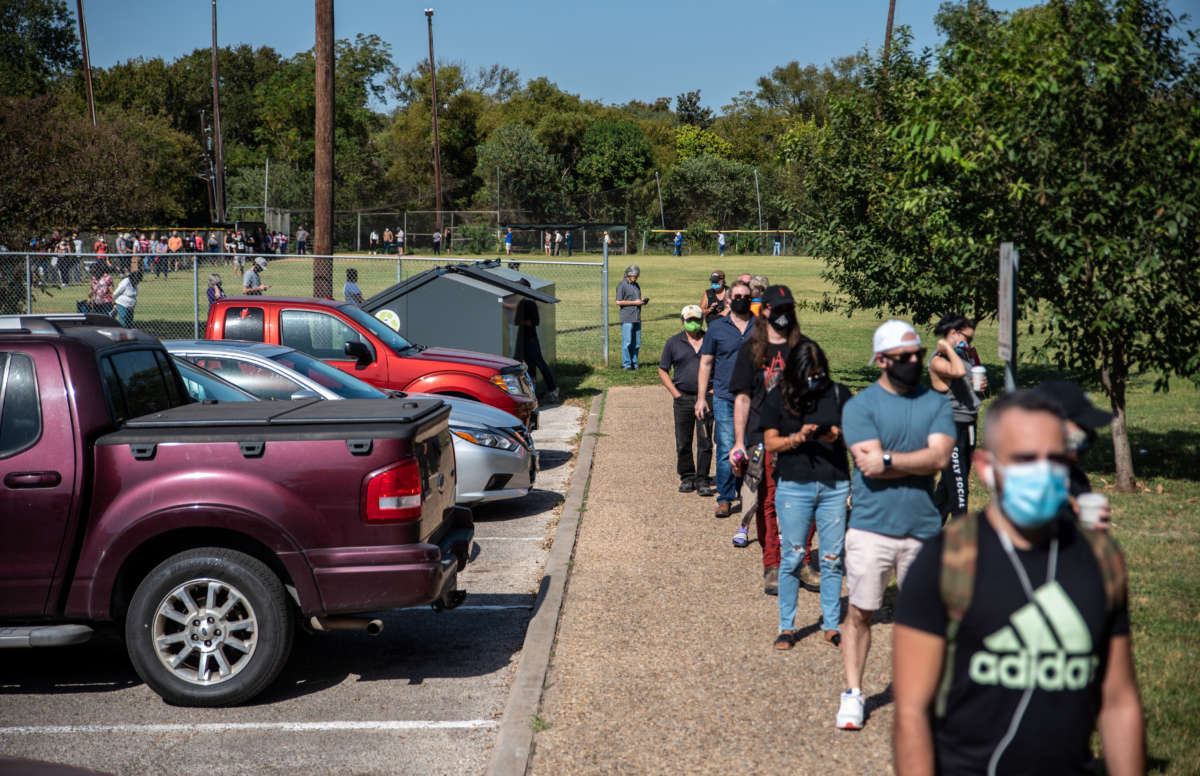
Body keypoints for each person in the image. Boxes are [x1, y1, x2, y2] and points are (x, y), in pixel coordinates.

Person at [893, 389, 1143, 775]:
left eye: (1055, 458)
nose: (1042, 471)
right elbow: (911, 713)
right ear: (985, 466)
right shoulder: (945, 560)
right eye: (1025, 459)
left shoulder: (1101, 558)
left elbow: (1119, 701)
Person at [836, 319, 955, 730]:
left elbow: (939, 458)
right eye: (904, 358)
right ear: (882, 361)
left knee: (922, 618)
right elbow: (867, 464)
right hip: (871, 527)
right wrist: (900, 461)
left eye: (917, 356)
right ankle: (853, 693)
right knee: (861, 612)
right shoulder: (860, 406)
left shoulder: (936, 403)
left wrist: (889, 460)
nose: (913, 363)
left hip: (922, 529)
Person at [762, 341, 851, 649]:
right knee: (793, 556)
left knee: (831, 558)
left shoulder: (838, 393)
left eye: (819, 373)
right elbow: (771, 443)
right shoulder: (779, 395)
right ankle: (787, 626)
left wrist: (834, 434)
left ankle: (830, 624)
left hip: (834, 484)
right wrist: (796, 438)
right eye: (809, 374)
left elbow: (854, 436)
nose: (814, 379)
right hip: (794, 486)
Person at [729, 284, 808, 594]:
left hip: (799, 437)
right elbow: (743, 399)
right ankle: (773, 564)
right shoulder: (751, 350)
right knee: (769, 503)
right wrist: (738, 443)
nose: (785, 314)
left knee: (804, 503)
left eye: (790, 308)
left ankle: (799, 560)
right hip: (762, 437)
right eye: (779, 308)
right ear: (764, 311)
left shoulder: (804, 348)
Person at [694, 280, 755, 518]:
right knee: (726, 448)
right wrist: (701, 397)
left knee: (752, 448)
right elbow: (706, 363)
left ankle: (748, 494)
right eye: (737, 296)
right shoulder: (717, 328)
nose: (742, 300)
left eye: (746, 296)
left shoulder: (760, 327)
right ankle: (725, 497)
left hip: (753, 398)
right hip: (724, 397)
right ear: (728, 300)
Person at [1034, 379, 1116, 528]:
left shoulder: (1076, 478)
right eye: (1082, 425)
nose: (1089, 433)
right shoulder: (1025, 482)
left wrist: (1095, 537)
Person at [928, 313, 985, 520]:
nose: (969, 344)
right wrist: (947, 347)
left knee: (947, 487)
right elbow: (959, 373)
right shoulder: (938, 360)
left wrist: (979, 386)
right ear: (953, 333)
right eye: (967, 338)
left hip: (968, 425)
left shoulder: (961, 357)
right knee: (960, 491)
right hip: (950, 428)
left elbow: (965, 379)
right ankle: (965, 543)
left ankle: (927, 536)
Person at [658, 304, 715, 496]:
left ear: (702, 320)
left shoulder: (711, 340)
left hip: (706, 398)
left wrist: (713, 390)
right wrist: (675, 393)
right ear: (683, 322)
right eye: (689, 320)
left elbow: (723, 366)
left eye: (697, 320)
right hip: (683, 397)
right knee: (683, 439)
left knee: (705, 439)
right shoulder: (673, 343)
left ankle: (703, 478)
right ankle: (687, 476)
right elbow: (663, 370)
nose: (693, 324)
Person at [615, 265, 647, 370]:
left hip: (637, 317)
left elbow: (636, 300)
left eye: (637, 275)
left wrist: (642, 301)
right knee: (627, 342)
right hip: (627, 317)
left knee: (637, 343)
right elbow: (618, 301)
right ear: (629, 275)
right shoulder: (622, 285)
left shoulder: (636, 285)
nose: (636, 277)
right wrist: (635, 302)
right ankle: (627, 364)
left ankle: (635, 363)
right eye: (634, 275)